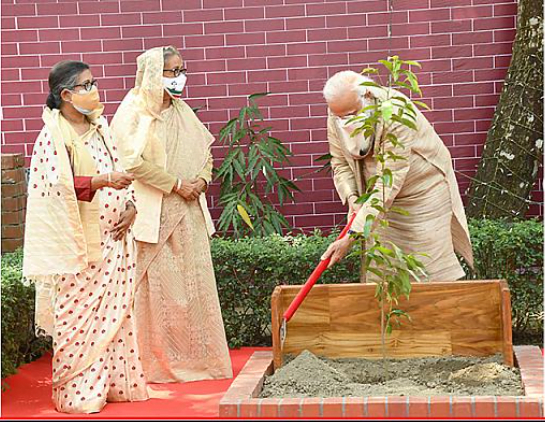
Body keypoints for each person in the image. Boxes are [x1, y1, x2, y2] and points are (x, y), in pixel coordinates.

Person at [22, 60, 149, 413]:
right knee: (77, 320)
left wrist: (130, 206)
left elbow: (121, 169)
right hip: (80, 250)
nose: (95, 91)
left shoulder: (100, 128)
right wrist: (101, 181)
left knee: (118, 318)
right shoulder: (53, 135)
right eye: (87, 85)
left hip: (115, 239)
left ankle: (115, 385)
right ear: (65, 94)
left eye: (93, 83)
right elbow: (53, 187)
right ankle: (79, 393)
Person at [110, 46, 233, 383]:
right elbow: (131, 162)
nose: (179, 78)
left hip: (190, 211)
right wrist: (177, 184)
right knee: (161, 291)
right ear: (153, 73)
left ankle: (202, 362)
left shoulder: (182, 110)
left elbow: (205, 148)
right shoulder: (133, 111)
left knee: (194, 288)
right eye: (172, 71)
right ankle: (156, 365)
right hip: (154, 211)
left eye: (181, 70)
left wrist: (203, 180)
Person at [320, 70, 474, 281]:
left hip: (422, 191)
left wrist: (351, 236)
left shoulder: (394, 111)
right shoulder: (337, 114)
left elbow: (389, 183)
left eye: (350, 114)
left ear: (367, 96)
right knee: (384, 272)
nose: (344, 121)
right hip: (378, 197)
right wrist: (353, 200)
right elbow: (339, 162)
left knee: (430, 270)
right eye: (339, 116)